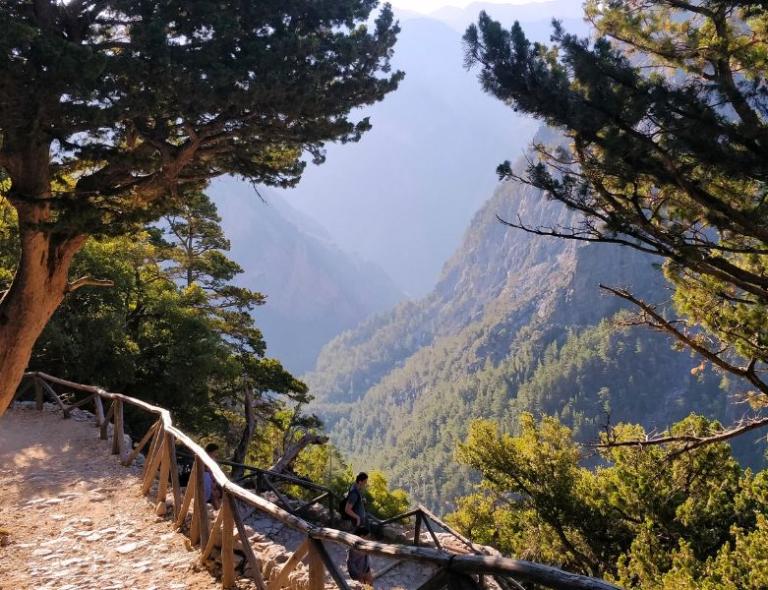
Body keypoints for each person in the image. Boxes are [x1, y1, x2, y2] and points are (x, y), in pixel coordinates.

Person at [202, 443, 222, 509]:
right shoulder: (203, 459)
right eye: (215, 452)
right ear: (210, 452)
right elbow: (207, 472)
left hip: (213, 481)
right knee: (214, 493)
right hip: (206, 482)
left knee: (218, 492)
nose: (216, 454)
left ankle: (219, 512)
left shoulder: (213, 460)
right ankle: (218, 511)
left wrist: (215, 483)